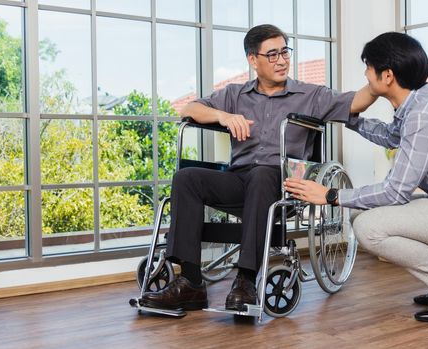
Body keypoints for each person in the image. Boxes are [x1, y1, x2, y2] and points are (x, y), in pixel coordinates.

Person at [139, 24, 375, 312]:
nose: (281, 60)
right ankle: (190, 283)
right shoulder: (235, 95)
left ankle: (246, 280)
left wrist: (381, 80)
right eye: (272, 54)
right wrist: (223, 116)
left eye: (285, 52)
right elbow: (188, 110)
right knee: (186, 178)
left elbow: (356, 102)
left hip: (282, 184)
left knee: (264, 173)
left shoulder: (310, 95)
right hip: (240, 180)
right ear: (253, 60)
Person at [284, 32, 428, 323]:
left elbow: (395, 192)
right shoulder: (418, 103)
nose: (366, 75)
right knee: (366, 216)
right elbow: (391, 137)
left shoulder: (425, 115)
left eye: (368, 68)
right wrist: (348, 117)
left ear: (387, 75)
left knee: (369, 228)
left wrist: (330, 196)